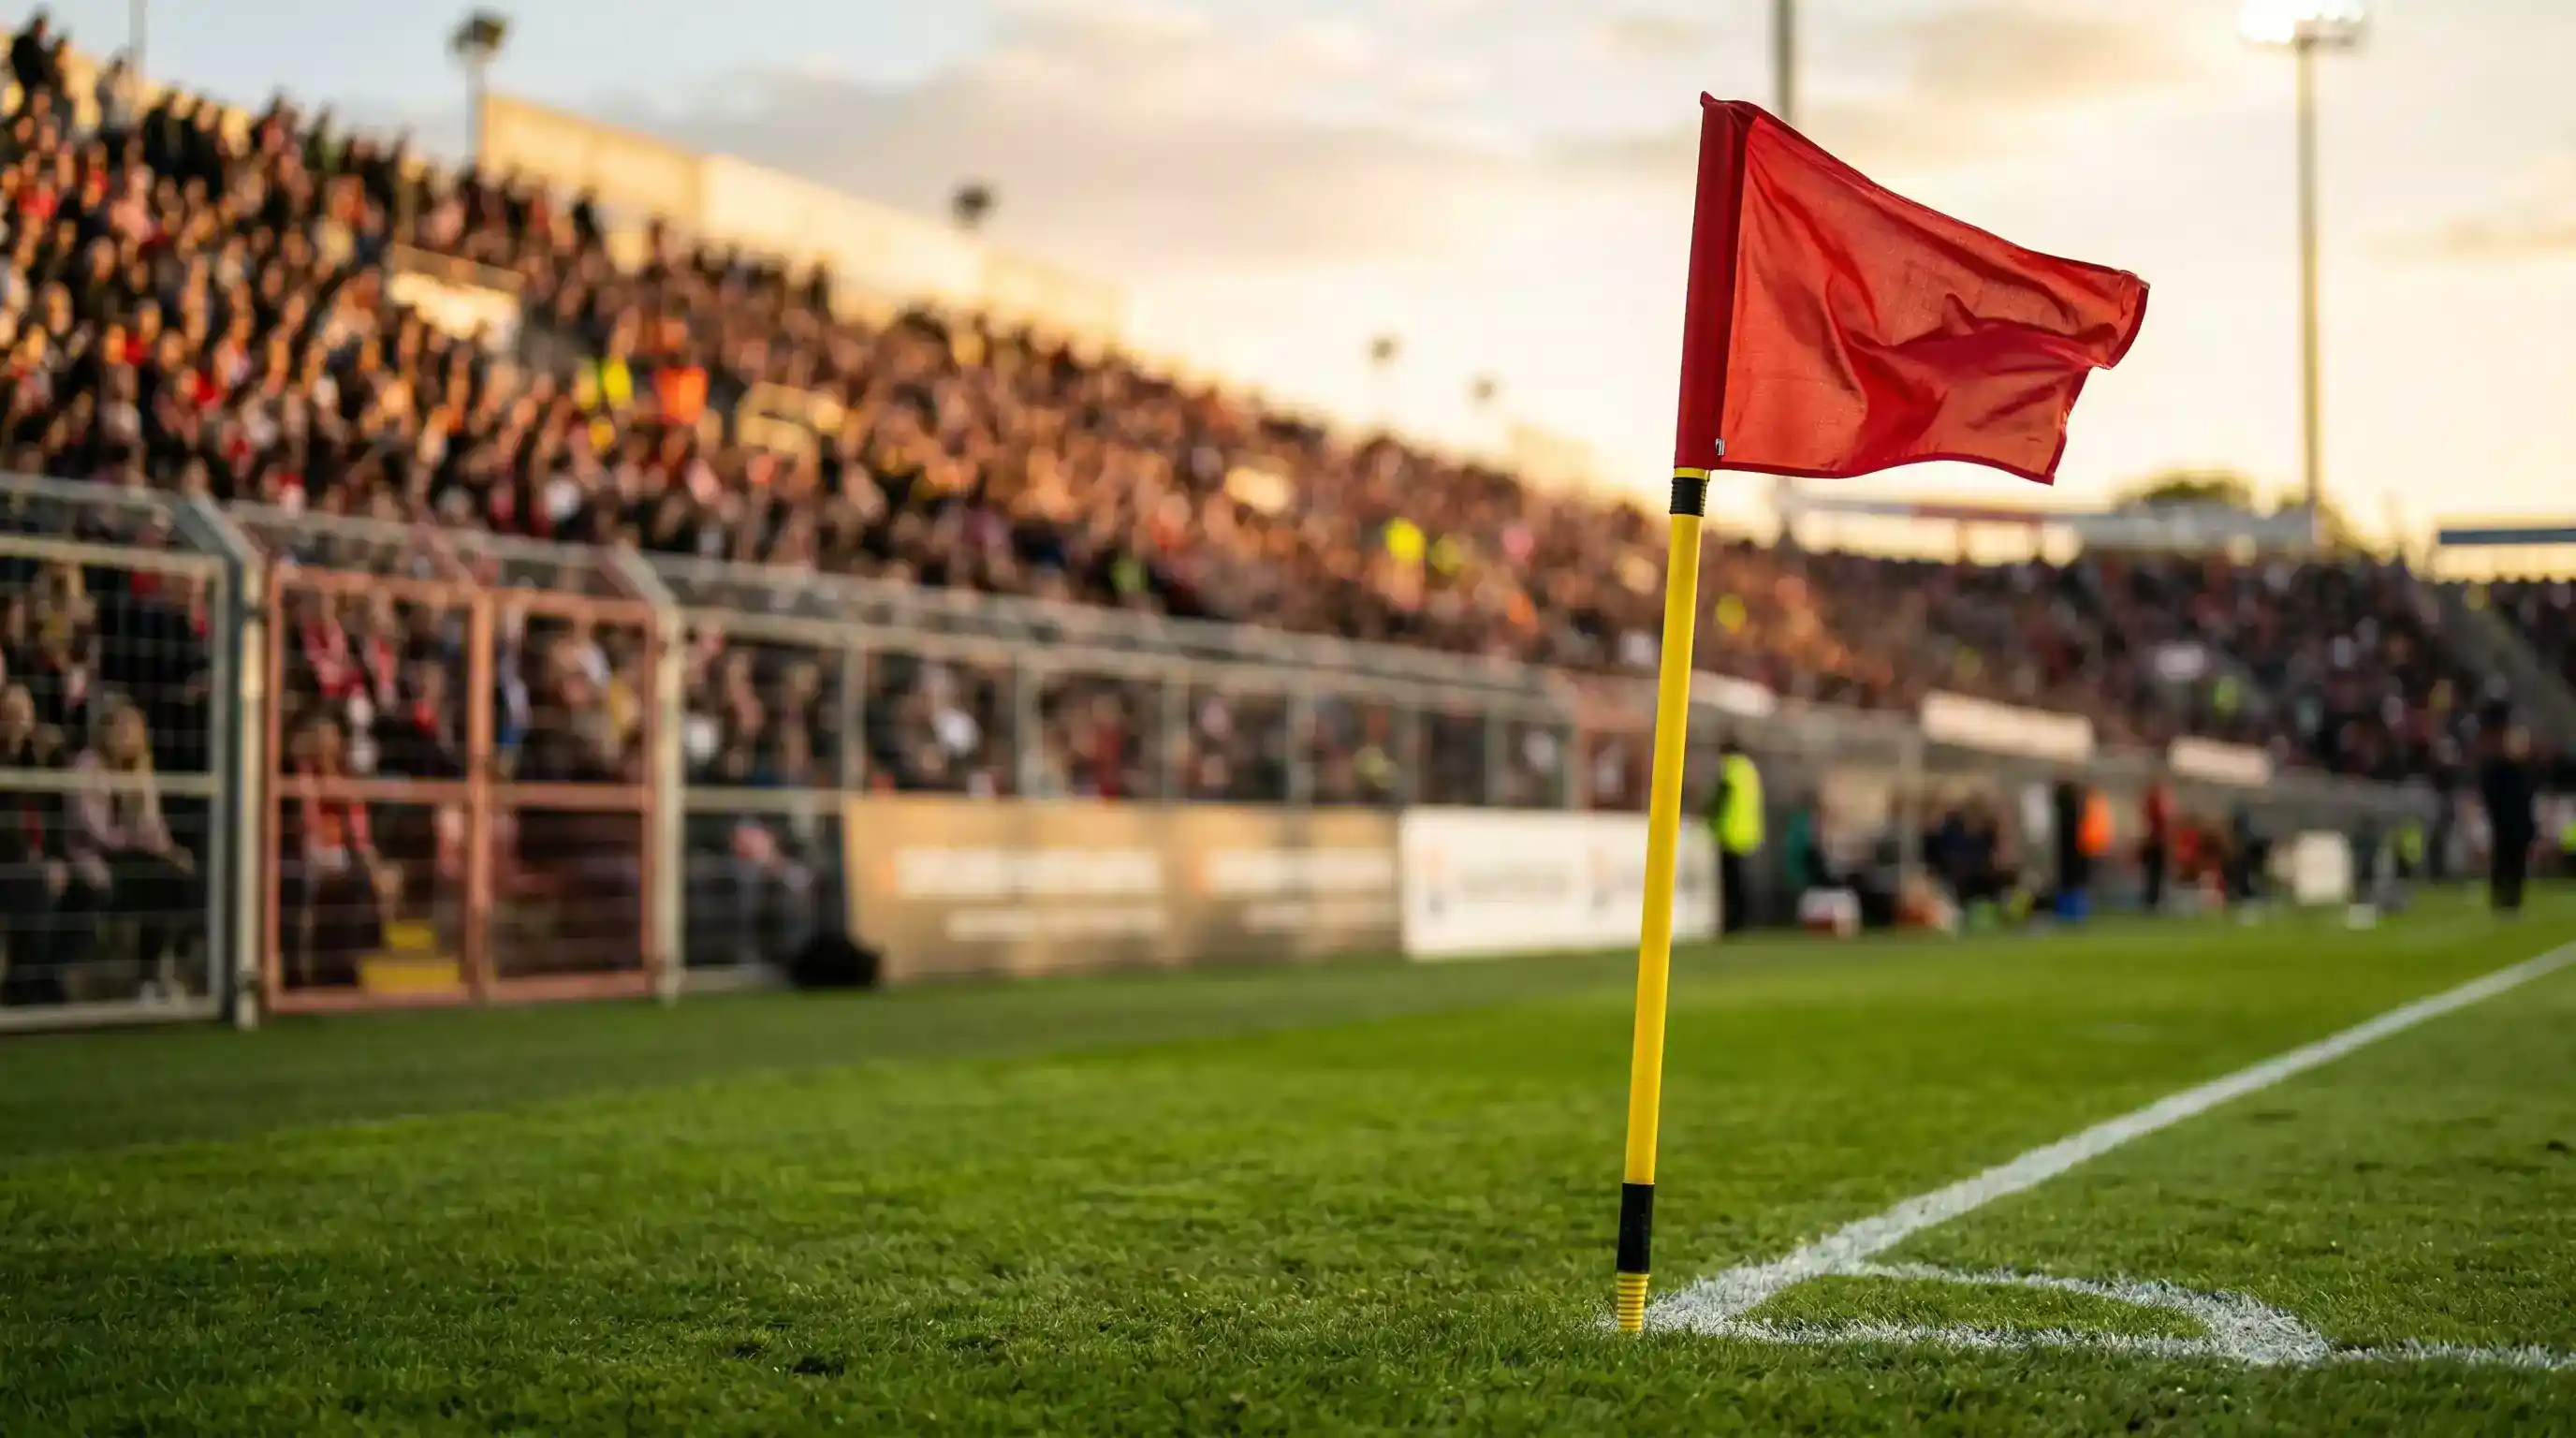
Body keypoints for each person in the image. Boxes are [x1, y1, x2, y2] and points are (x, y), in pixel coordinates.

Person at [64, 700, 200, 996]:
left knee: (177, 875)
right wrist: (138, 841)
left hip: (133, 853)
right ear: (105, 731)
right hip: (95, 855)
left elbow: (153, 827)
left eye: (135, 728)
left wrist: (170, 851)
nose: (128, 734)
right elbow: (93, 829)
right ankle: (148, 977)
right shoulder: (87, 765)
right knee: (157, 878)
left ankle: (154, 974)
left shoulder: (141, 770)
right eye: (122, 726)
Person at [1706, 735, 1764, 934]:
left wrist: (1710, 817)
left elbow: (1721, 799)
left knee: (1730, 884)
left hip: (1729, 832)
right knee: (1743, 882)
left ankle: (1732, 924)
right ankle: (1746, 921)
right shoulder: (1750, 770)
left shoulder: (1730, 769)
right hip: (1748, 833)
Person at [2480, 726, 2538, 917]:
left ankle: (2514, 898)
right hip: (2503, 822)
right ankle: (2500, 897)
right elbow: (2491, 797)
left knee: (2518, 861)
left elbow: (2528, 800)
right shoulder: (2498, 770)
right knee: (2502, 859)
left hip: (2520, 823)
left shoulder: (2526, 771)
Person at [2140, 778, 2174, 913]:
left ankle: (2153, 900)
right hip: (2155, 844)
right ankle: (2153, 901)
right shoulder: (2156, 806)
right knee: (2155, 874)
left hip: (2155, 843)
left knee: (2154, 874)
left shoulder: (2153, 805)